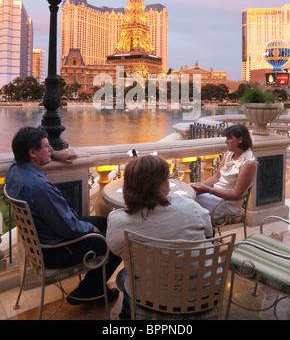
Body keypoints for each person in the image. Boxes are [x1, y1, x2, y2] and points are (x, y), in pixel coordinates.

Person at [5, 127, 121, 305]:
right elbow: (69, 228)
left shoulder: (15, 170)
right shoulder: (39, 188)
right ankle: (89, 291)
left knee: (103, 221)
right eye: (47, 147)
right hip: (55, 250)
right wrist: (92, 229)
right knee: (116, 242)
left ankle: (93, 286)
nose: (51, 149)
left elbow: (65, 223)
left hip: (39, 242)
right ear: (33, 152)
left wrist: (54, 155)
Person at [106, 154, 213, 319]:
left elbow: (116, 250)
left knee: (129, 276)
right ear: (161, 184)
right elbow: (208, 233)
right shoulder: (190, 207)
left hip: (150, 299)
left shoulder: (118, 222)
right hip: (200, 295)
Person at [191, 124, 257, 215]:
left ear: (240, 140)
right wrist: (198, 186)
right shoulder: (229, 154)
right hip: (215, 195)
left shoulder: (248, 164)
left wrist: (208, 190)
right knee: (188, 194)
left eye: (229, 138)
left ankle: (201, 227)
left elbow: (235, 195)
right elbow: (216, 178)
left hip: (229, 204)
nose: (226, 142)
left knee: (188, 202)